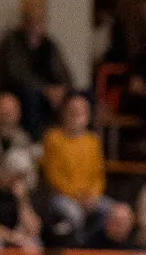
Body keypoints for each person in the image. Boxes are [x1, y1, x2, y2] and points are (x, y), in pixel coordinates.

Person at [40, 92, 105, 235]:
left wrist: (93, 195)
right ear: (64, 113)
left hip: (90, 196)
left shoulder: (93, 141)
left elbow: (98, 174)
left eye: (81, 112)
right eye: (72, 111)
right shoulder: (53, 138)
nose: (77, 115)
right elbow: (53, 175)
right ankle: (77, 251)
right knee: (74, 214)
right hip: (61, 196)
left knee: (116, 212)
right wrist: (77, 196)